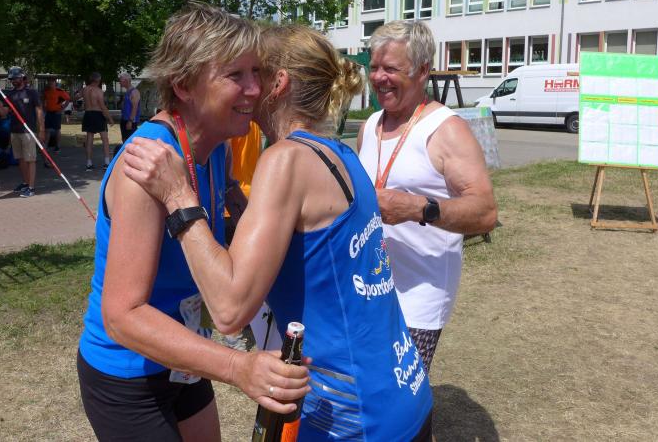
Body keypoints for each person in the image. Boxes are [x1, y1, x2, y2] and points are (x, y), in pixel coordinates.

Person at [123, 24, 434, 441]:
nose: (247, 88)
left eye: (255, 73)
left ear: (278, 83)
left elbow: (229, 310)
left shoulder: (286, 159)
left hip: (350, 418)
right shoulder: (342, 153)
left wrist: (179, 196)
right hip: (404, 393)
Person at [76, 3, 309, 442]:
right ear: (183, 85)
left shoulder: (217, 145)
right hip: (128, 374)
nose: (255, 88)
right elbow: (122, 316)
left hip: (183, 355)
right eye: (236, 75)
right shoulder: (148, 164)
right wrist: (238, 366)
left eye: (257, 72)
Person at [356, 20, 498, 373]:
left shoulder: (447, 130)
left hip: (418, 299)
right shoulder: (370, 125)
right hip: (368, 290)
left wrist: (418, 208)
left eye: (391, 68)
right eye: (374, 67)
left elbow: (485, 213)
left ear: (422, 71)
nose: (379, 77)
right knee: (367, 393)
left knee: (400, 398)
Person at [5, 66, 44, 198]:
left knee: (30, 159)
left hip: (28, 131)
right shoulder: (10, 94)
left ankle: (31, 188)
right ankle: (26, 183)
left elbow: (39, 110)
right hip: (15, 130)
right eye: (11, 79)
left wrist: (41, 129)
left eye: (15, 78)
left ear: (22, 77)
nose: (13, 81)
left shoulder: (31, 92)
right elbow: (5, 112)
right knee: (20, 158)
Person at [81, 72, 114, 170]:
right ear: (98, 80)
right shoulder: (98, 91)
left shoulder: (85, 89)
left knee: (89, 139)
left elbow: (75, 97)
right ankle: (107, 163)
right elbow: (102, 106)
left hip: (88, 114)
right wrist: (110, 119)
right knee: (105, 139)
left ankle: (89, 164)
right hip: (98, 114)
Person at [43, 77, 71, 154]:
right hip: (48, 112)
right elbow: (44, 100)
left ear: (55, 83)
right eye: (49, 82)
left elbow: (68, 99)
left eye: (52, 82)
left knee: (57, 130)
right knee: (47, 130)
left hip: (56, 113)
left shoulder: (60, 91)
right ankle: (46, 146)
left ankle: (57, 146)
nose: (50, 84)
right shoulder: (46, 91)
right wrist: (44, 108)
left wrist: (62, 109)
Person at [118, 72, 141, 144]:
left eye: (120, 80)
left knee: (131, 141)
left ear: (126, 80)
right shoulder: (127, 92)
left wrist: (130, 121)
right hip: (124, 120)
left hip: (130, 121)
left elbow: (135, 108)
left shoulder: (134, 92)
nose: (119, 82)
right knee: (124, 140)